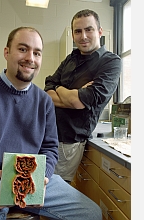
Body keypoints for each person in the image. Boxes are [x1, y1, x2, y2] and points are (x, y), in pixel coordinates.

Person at [0, 26, 102, 220]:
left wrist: (42, 179)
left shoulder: (44, 101)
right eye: (22, 49)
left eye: (37, 53)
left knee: (91, 214)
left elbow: (49, 147)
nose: (30, 58)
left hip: (33, 178)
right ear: (7, 52)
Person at [44, 9, 121, 183]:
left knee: (52, 189)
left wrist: (61, 89)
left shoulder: (110, 62)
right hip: (46, 133)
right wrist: (71, 94)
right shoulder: (71, 58)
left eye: (89, 29)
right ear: (72, 34)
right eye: (78, 31)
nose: (83, 36)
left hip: (68, 141)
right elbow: (47, 91)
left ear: (100, 32)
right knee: (35, 188)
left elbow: (80, 102)